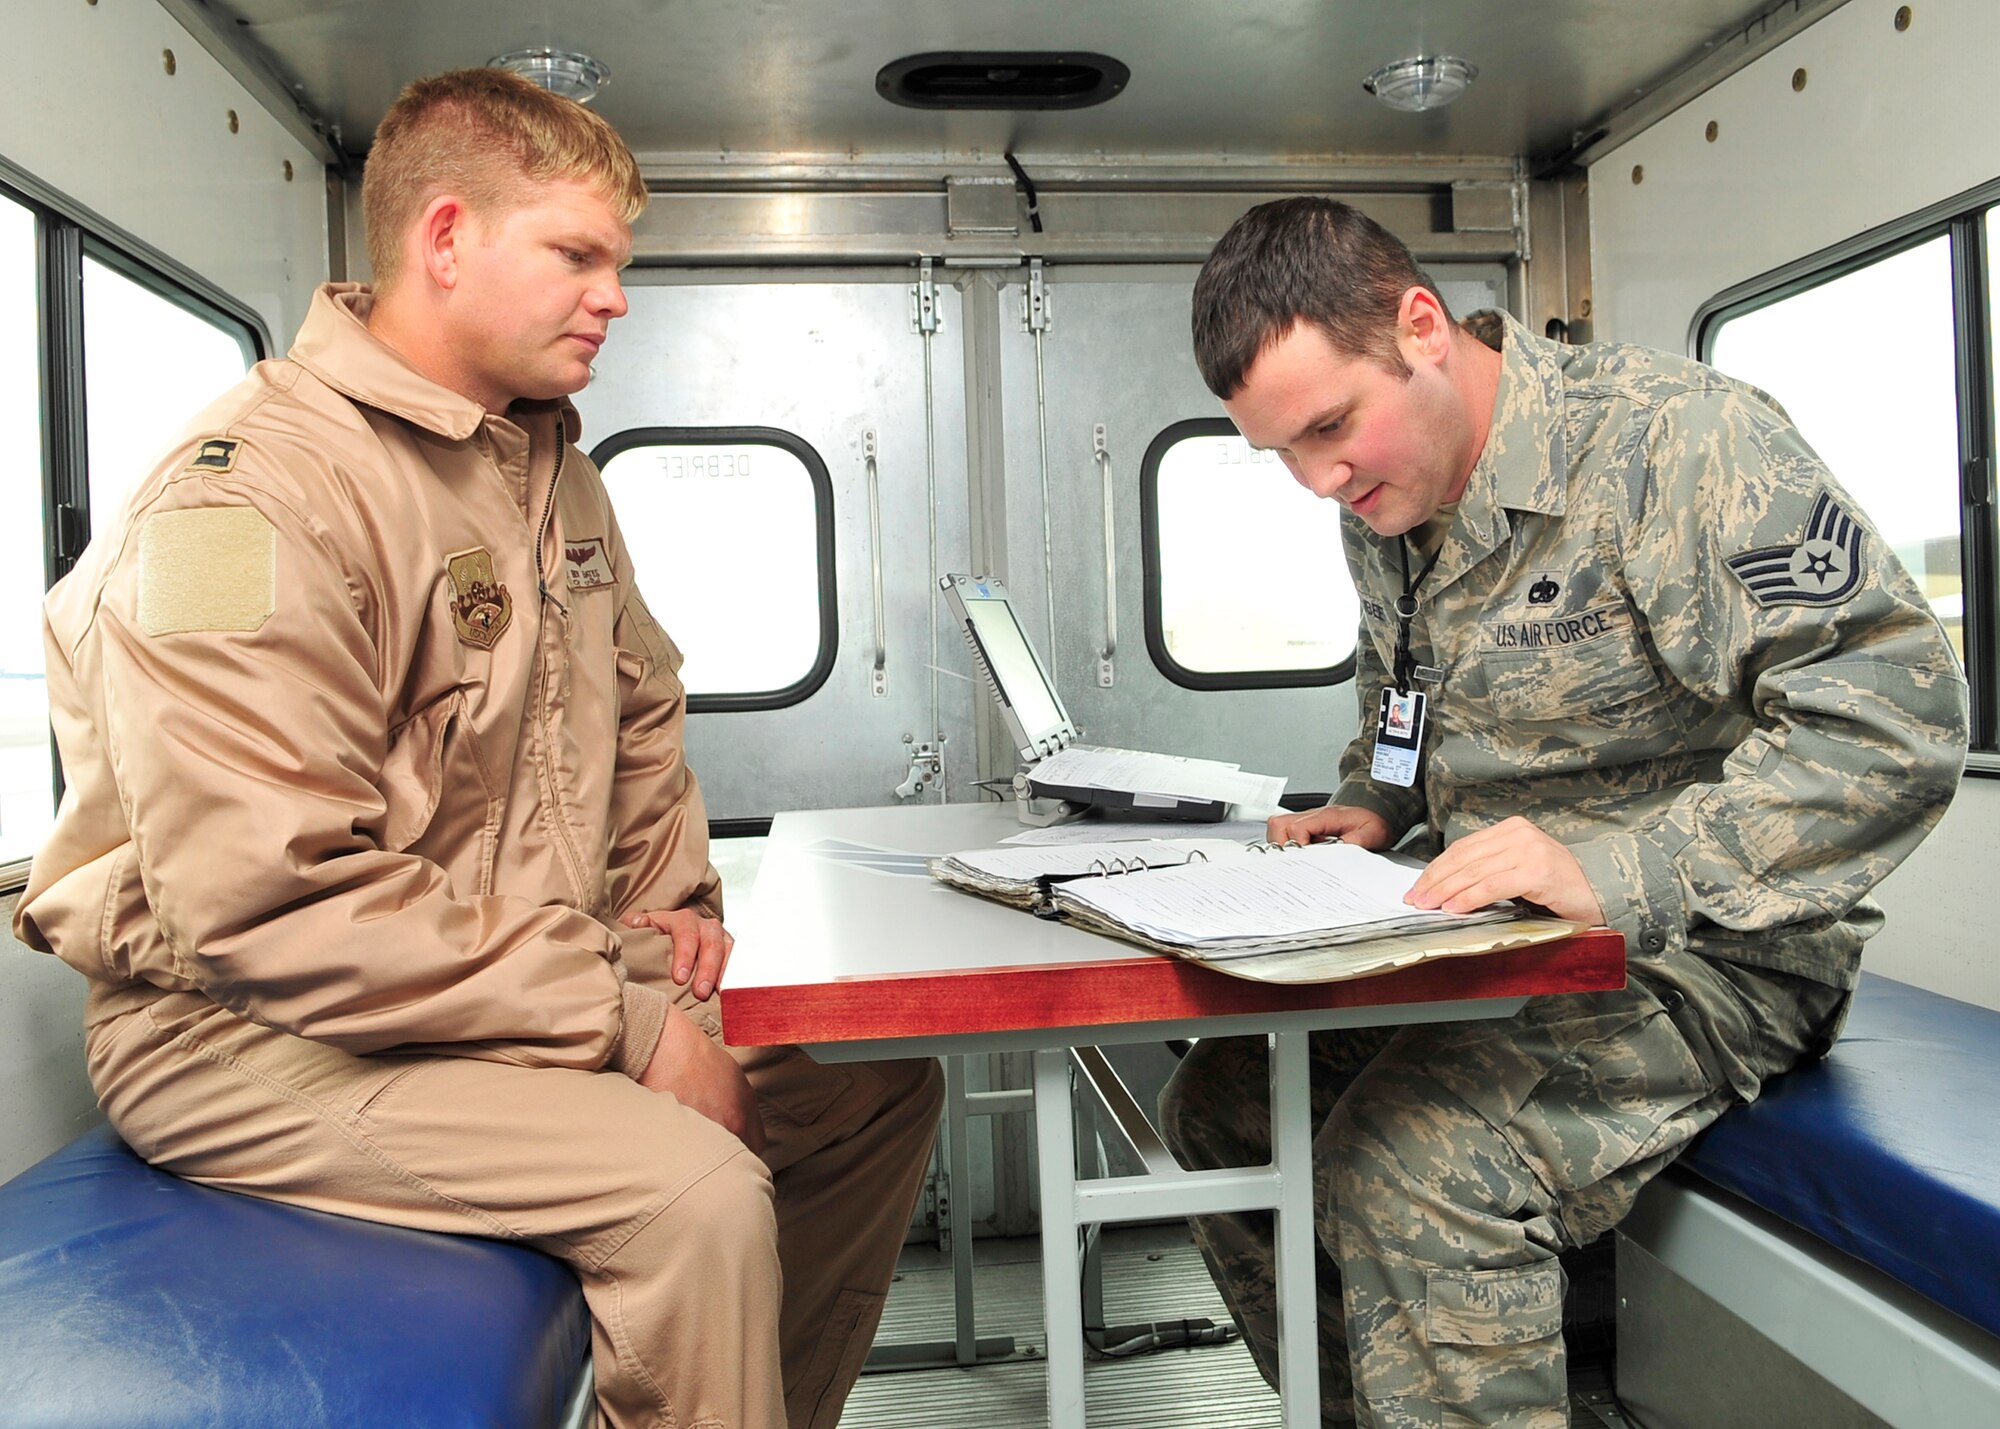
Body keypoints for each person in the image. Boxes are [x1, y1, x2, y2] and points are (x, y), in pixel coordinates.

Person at [15, 68, 942, 1429]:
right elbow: (265, 903)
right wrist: (623, 1021)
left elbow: (638, 705)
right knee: (694, 1194)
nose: (612, 295)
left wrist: (664, 905)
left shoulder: (545, 467)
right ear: (444, 240)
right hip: (249, 1032)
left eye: (616, 261)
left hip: (497, 993)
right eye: (577, 254)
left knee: (866, 1092)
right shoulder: (248, 499)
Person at [1159, 196, 1968, 1428]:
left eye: (1329, 427)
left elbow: (1892, 715)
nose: (1317, 479)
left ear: (1419, 327)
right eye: (1281, 452)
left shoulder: (1670, 442)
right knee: (1220, 1108)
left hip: (1709, 953)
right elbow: (1401, 693)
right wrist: (1374, 803)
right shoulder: (1386, 502)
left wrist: (1622, 872)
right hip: (1482, 935)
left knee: (1413, 1166)